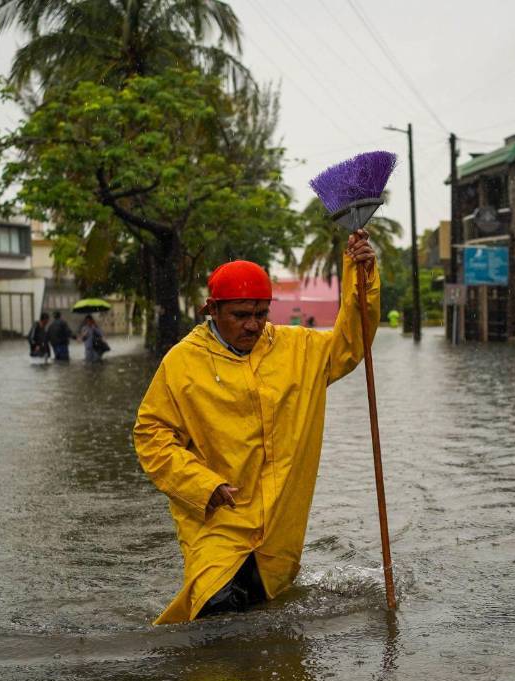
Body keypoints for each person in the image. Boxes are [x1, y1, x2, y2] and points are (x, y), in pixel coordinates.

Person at [133, 230, 379, 624]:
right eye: (241, 315)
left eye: (261, 313)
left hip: (281, 522)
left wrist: (360, 275)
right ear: (211, 310)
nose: (253, 325)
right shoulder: (182, 363)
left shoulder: (298, 348)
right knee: (212, 609)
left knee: (260, 614)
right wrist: (201, 485)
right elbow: (151, 434)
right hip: (217, 517)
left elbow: (352, 343)